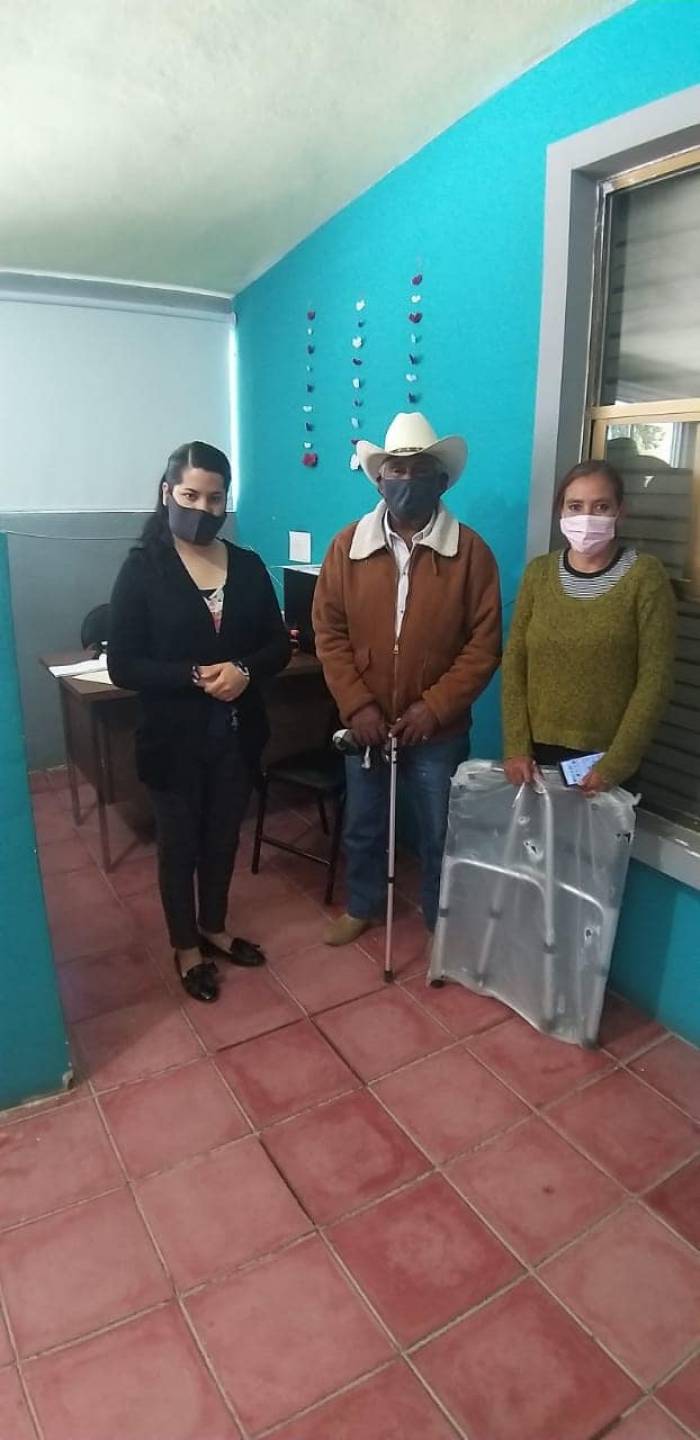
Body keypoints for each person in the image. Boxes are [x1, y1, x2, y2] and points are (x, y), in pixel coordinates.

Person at [108, 441, 290, 1002]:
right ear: (167, 493)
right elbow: (123, 665)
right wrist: (192, 675)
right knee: (179, 844)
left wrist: (244, 670)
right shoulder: (143, 568)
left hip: (236, 738)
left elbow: (277, 645)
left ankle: (213, 927)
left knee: (221, 838)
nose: (202, 509)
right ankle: (186, 946)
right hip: (173, 741)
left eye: (215, 499)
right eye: (190, 495)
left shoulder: (248, 565)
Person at [312, 411, 501, 945]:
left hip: (437, 731)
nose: (406, 479)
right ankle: (363, 905)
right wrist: (358, 706)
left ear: (441, 480)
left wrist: (433, 709)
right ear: (379, 479)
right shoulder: (347, 546)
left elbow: (483, 646)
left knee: (440, 830)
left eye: (419, 469)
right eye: (396, 469)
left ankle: (441, 919)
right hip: (368, 726)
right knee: (364, 823)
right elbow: (328, 632)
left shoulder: (471, 553)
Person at [502, 459, 676, 792]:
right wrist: (516, 746)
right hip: (536, 755)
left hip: (607, 759)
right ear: (561, 512)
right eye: (575, 506)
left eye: (601, 506)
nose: (587, 517)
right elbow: (514, 662)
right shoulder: (539, 573)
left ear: (620, 512)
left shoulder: (645, 577)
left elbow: (656, 679)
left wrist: (616, 764)